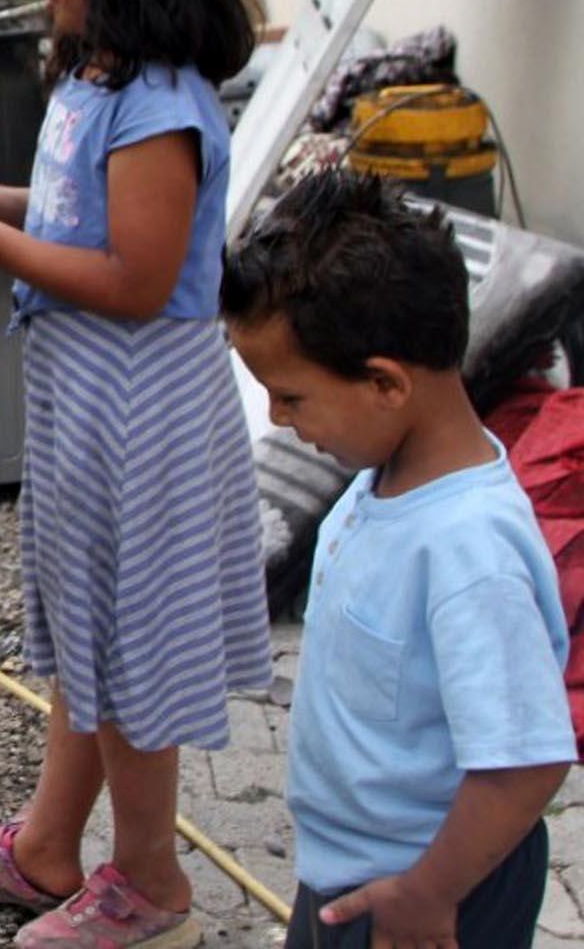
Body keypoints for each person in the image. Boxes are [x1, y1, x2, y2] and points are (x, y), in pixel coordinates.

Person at [0, 0, 271, 947]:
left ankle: (152, 886)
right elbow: (88, 216)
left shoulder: (162, 102)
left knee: (132, 649)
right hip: (87, 401)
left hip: (143, 415)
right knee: (86, 627)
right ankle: (47, 847)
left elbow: (136, 276)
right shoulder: (98, 76)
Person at [223, 171, 573, 948]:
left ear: (384, 383)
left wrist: (429, 894)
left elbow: (526, 762)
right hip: (354, 870)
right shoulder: (383, 475)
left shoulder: (468, 550)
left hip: (433, 891)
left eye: (291, 397)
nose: (277, 420)